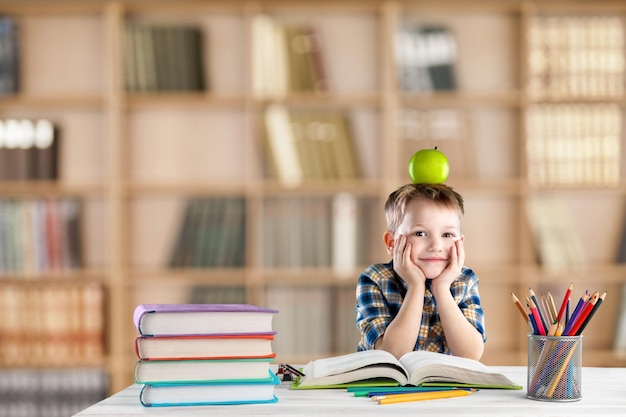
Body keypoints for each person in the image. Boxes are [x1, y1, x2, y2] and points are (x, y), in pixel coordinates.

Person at [356, 183, 485, 361]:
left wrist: (442, 289)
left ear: (460, 243)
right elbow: (390, 355)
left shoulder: (465, 279)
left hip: (444, 388)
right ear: (391, 243)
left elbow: (470, 355)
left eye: (447, 235)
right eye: (420, 233)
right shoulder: (375, 279)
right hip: (385, 386)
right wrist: (415, 285)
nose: (436, 246)